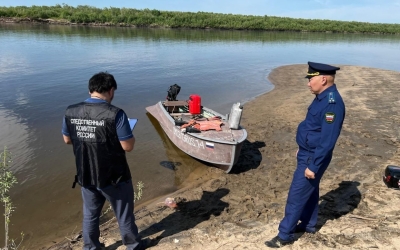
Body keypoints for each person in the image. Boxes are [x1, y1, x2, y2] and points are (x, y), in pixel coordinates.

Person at [62, 72, 146, 250]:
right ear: (111, 90)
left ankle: (91, 247)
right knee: (124, 215)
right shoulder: (115, 114)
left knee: (90, 215)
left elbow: (67, 140)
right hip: (114, 177)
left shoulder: (70, 111)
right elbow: (127, 146)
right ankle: (133, 246)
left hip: (86, 174)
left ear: (90, 89)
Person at [265, 62, 346, 248]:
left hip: (313, 157)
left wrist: (314, 165)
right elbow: (313, 128)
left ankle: (284, 235)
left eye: (311, 79)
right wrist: (302, 147)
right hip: (307, 153)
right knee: (310, 192)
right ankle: (309, 225)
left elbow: (327, 141)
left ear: (323, 79)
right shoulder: (321, 97)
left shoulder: (332, 103)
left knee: (296, 196)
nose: (308, 83)